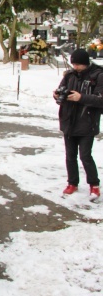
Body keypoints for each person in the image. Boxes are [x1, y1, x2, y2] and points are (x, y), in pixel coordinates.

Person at [55, 49, 103, 201]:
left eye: (78, 65)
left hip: (86, 122)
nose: (75, 67)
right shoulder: (70, 75)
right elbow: (62, 90)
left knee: (85, 156)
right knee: (70, 156)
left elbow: (100, 99)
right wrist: (57, 95)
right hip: (69, 121)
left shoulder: (98, 76)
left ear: (85, 63)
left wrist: (81, 97)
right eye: (73, 64)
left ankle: (94, 185)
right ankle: (72, 182)